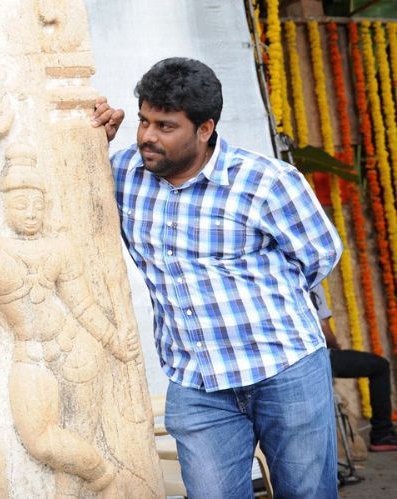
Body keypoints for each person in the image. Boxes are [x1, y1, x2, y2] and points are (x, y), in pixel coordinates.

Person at [103, 57, 343, 497]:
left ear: (205, 128)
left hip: (284, 369)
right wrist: (90, 142)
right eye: (144, 121)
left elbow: (320, 256)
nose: (148, 136)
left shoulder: (267, 181)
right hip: (197, 382)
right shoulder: (122, 175)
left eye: (165, 126)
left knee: (307, 493)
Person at [0, 113, 142, 495]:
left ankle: (92, 489)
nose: (31, 211)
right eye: (21, 203)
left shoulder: (59, 247)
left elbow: (82, 306)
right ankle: (103, 475)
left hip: (77, 350)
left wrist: (114, 341)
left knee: (78, 439)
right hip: (30, 355)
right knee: (41, 442)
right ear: (3, 205)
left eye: (37, 203)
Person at [310, 284, 397, 452]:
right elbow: (324, 330)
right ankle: (382, 433)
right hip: (320, 357)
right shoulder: (313, 283)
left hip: (298, 361)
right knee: (380, 366)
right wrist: (336, 346)